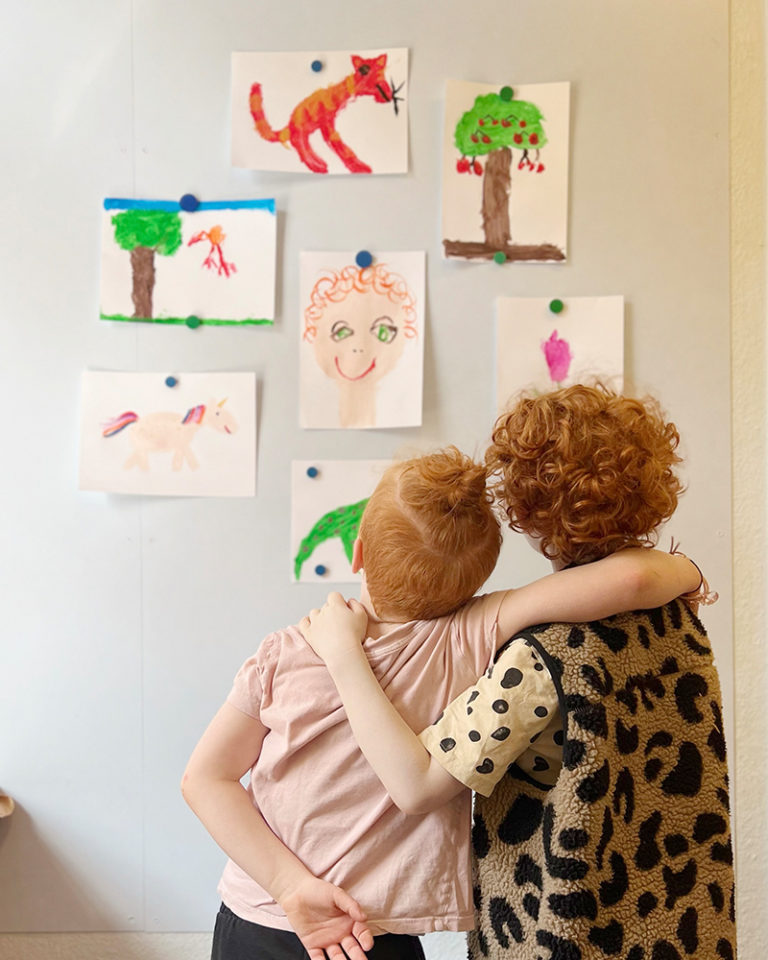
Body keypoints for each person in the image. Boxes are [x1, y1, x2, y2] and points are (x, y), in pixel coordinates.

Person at [183, 442, 700, 960]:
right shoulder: (472, 633)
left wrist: (289, 885)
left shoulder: (285, 654)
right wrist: (690, 572)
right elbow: (633, 577)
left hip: (259, 918)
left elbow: (204, 779)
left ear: (356, 552)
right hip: (373, 935)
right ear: (476, 582)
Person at [302, 383, 736, 960]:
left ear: (526, 514)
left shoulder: (538, 657)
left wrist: (344, 655)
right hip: (684, 923)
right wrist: (687, 567)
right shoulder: (678, 616)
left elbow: (419, 785)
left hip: (565, 930)